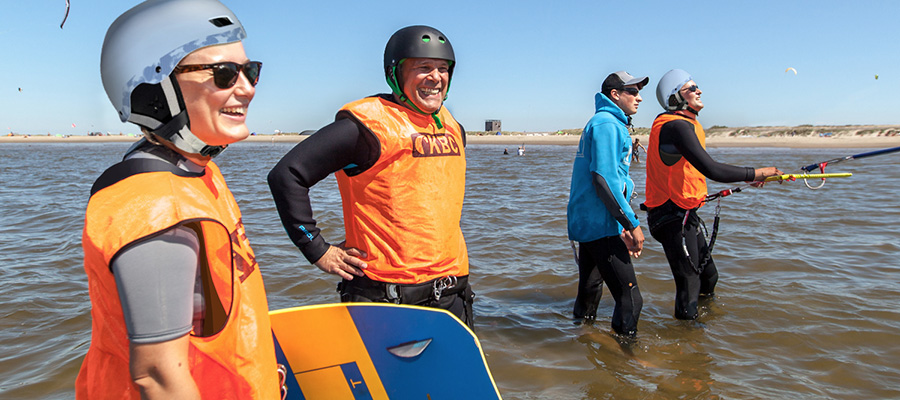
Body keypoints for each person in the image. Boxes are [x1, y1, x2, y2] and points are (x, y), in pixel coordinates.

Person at [77, 1, 280, 398]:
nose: (248, 87)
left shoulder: (193, 171)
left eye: (250, 70)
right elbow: (158, 376)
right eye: (224, 74)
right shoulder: (157, 205)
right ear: (157, 90)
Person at [267, 25, 475, 328]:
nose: (436, 77)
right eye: (423, 67)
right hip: (386, 298)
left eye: (443, 69)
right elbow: (287, 175)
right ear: (396, 73)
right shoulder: (364, 127)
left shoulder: (452, 127)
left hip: (451, 295)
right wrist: (317, 249)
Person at [644, 69, 783, 320]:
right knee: (689, 284)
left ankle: (703, 327)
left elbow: (700, 170)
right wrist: (755, 173)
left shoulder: (685, 124)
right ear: (675, 98)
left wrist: (749, 178)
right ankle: (688, 346)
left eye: (697, 86)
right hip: (670, 216)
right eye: (691, 88)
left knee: (709, 277)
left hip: (685, 214)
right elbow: (712, 169)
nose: (699, 91)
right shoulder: (675, 126)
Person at [567, 71, 648, 336]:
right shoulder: (607, 124)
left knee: (590, 292)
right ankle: (624, 364)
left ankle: (582, 345)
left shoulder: (604, 122)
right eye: (633, 91)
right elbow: (604, 179)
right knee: (631, 299)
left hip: (592, 222)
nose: (639, 97)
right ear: (615, 94)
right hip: (600, 223)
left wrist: (618, 220)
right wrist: (630, 223)